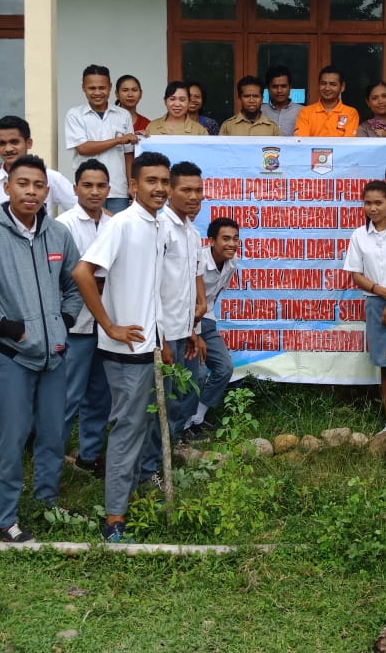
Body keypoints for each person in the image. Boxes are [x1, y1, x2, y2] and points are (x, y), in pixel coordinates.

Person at [0, 154, 83, 543]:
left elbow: (75, 284)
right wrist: (5, 327)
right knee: (10, 438)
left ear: (48, 191)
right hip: (10, 358)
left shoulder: (58, 235)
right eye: (23, 184)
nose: (31, 192)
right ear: (7, 186)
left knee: (52, 435)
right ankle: (6, 518)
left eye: (39, 185)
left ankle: (47, 500)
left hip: (54, 357)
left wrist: (67, 319)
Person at [72, 151, 170, 544]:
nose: (159, 188)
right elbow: (83, 272)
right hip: (124, 352)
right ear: (133, 186)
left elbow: (151, 288)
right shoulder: (123, 224)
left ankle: (135, 491)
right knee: (127, 430)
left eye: (164, 181)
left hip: (149, 346)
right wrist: (108, 325)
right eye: (151, 181)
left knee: (141, 426)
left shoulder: (158, 225)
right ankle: (114, 519)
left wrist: (162, 339)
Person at [137, 160, 206, 488]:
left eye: (199, 190)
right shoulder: (160, 228)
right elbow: (151, 288)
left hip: (183, 333)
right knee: (158, 405)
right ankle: (147, 471)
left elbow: (183, 287)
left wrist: (190, 330)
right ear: (172, 192)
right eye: (186, 190)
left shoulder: (191, 232)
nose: (194, 196)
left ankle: (167, 449)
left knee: (187, 392)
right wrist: (162, 339)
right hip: (162, 337)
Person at [56, 159, 114, 478]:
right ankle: (52, 459)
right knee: (67, 396)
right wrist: (93, 280)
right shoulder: (63, 225)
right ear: (75, 188)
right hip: (75, 325)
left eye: (101, 185)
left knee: (99, 394)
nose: (94, 192)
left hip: (106, 325)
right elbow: (68, 276)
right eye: (87, 185)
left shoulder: (114, 223)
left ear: (109, 189)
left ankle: (89, 455)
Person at [344, 181, 386, 434]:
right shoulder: (359, 235)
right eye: (368, 203)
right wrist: (382, 293)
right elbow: (356, 275)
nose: (373, 208)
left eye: (378, 203)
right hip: (375, 302)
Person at [182, 216, 240, 441]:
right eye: (225, 238)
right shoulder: (198, 263)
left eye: (235, 239)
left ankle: (196, 419)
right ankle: (182, 426)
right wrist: (193, 331)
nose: (232, 244)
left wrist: (205, 325)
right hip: (187, 322)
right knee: (197, 374)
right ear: (211, 241)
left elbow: (213, 296)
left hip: (207, 320)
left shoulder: (232, 263)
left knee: (224, 368)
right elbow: (185, 298)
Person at [0, 116, 77, 220]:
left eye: (14, 142)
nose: (8, 149)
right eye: (2, 143)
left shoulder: (51, 178)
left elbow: (78, 209)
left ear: (28, 143)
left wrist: (56, 230)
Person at [65, 64, 136, 213]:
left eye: (102, 88)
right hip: (88, 190)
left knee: (118, 234)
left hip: (118, 189)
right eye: (92, 88)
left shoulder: (123, 115)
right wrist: (117, 140)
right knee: (89, 232)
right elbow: (83, 148)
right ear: (83, 88)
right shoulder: (75, 115)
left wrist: (131, 184)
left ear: (110, 87)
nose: (97, 92)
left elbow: (128, 154)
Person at [294, 66, 359, 138]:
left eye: (333, 84)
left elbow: (348, 144)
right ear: (318, 85)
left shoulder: (351, 113)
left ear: (342, 87)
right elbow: (302, 143)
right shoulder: (305, 112)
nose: (327, 88)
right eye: (323, 83)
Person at [261, 65, 303, 136]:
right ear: (268, 88)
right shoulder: (260, 111)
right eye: (275, 86)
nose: (279, 90)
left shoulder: (302, 112)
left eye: (283, 86)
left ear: (290, 87)